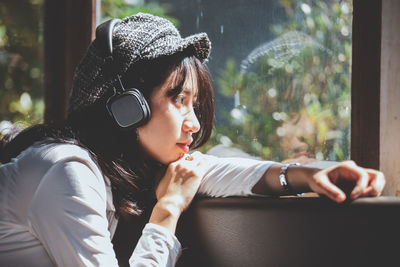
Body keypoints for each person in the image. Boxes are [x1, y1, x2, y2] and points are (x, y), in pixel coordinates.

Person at [0, 13, 385, 267]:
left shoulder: (121, 164)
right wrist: (167, 210)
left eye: (195, 104)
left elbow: (213, 171)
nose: (193, 125)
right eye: (179, 100)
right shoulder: (66, 169)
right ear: (127, 108)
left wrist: (310, 174)